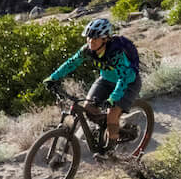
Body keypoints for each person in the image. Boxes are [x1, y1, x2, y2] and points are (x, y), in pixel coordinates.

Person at [46, 18, 141, 150]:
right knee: (88, 107)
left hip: (128, 83)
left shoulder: (115, 53)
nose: (91, 41)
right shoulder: (88, 50)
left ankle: (110, 151)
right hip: (106, 80)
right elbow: (72, 62)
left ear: (105, 39)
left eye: (95, 38)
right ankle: (106, 127)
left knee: (112, 114)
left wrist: (113, 98)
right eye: (89, 38)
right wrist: (52, 78)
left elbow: (123, 78)